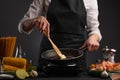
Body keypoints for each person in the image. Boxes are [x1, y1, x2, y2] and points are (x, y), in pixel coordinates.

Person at [18, 0, 102, 70]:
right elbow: (22, 26)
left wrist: (93, 37)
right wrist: (35, 20)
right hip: (49, 57)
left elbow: (94, 30)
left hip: (76, 58)